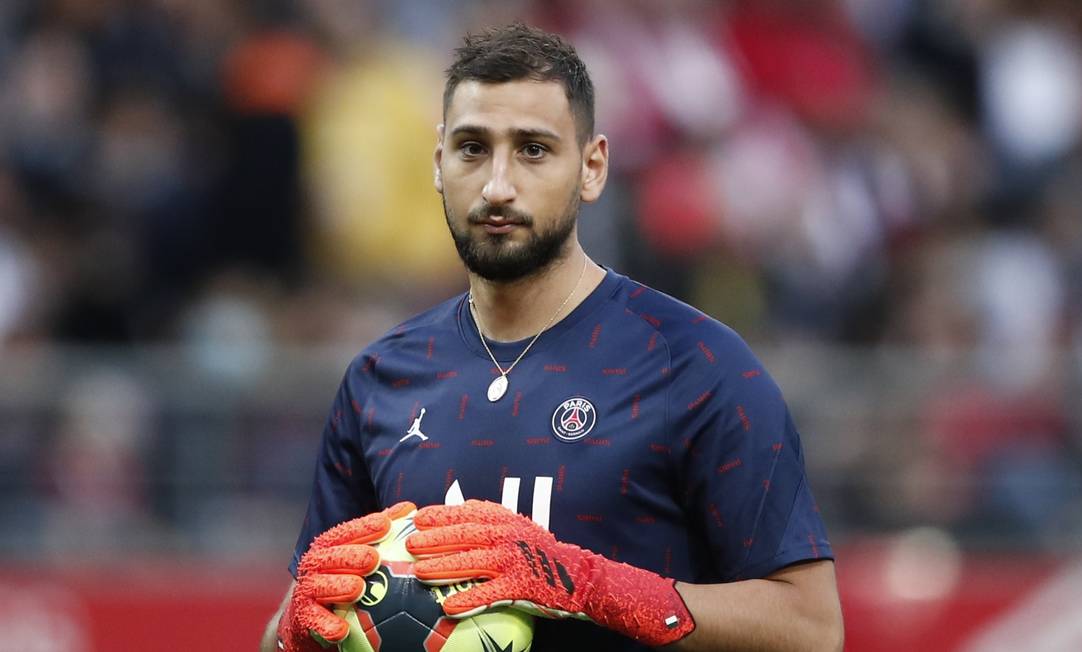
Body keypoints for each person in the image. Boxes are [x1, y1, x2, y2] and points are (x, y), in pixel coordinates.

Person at [262, 23, 843, 652]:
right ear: (438, 164)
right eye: (472, 149)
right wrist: (295, 628)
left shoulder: (698, 365)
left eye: (533, 149)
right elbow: (297, 623)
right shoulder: (381, 378)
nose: (497, 186)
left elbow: (811, 630)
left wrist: (586, 585)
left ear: (592, 168)